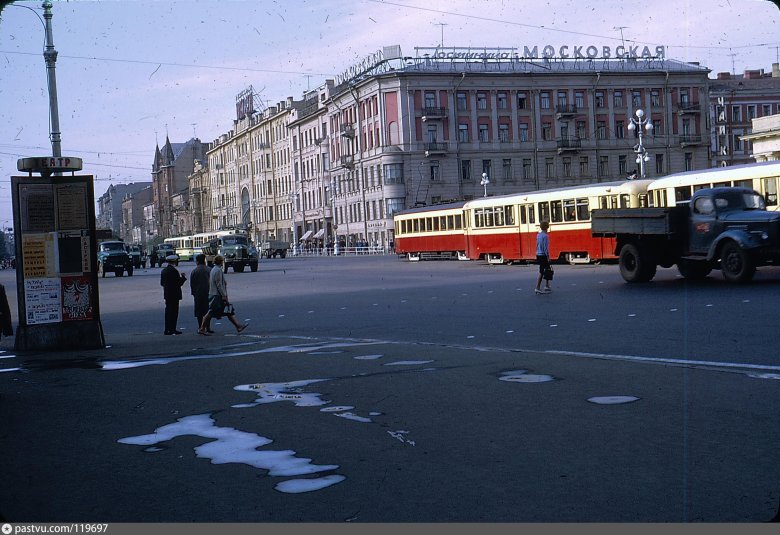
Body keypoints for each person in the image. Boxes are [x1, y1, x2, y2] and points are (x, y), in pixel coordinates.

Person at [198, 255, 247, 335]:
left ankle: (238, 326)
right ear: (221, 262)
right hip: (216, 295)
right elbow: (219, 284)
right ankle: (202, 328)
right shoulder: (217, 270)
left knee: (229, 311)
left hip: (215, 294)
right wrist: (224, 296)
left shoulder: (215, 269)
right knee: (211, 312)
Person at [160, 254, 186, 335]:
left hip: (167, 294)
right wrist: (183, 277)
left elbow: (162, 283)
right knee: (174, 312)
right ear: (174, 261)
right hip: (174, 294)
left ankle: (167, 329)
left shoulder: (164, 271)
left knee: (168, 312)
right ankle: (173, 329)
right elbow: (178, 283)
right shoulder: (174, 271)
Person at [189, 253, 212, 333]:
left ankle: (200, 326)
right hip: (208, 293)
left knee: (199, 312)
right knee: (208, 311)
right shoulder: (209, 269)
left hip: (198, 294)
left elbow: (192, 284)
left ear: (197, 261)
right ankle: (208, 327)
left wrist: (193, 293)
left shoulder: (194, 271)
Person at [534, 221, 552, 294]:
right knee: (542, 271)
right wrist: (548, 256)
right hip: (543, 255)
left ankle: (547, 285)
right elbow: (545, 248)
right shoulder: (545, 236)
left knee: (547, 269)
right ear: (547, 227)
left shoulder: (538, 235)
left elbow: (537, 245)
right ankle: (537, 287)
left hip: (538, 254)